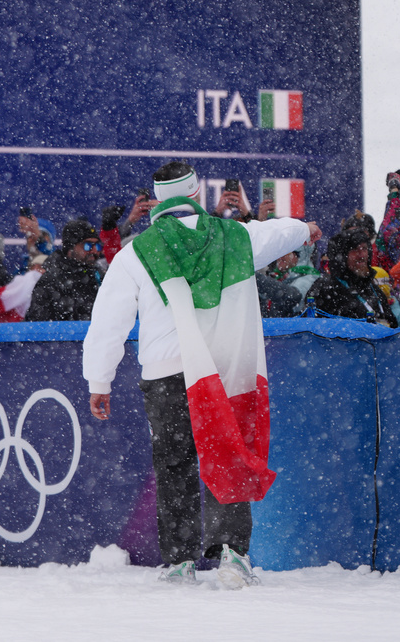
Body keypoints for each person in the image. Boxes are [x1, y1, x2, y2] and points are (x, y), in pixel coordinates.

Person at [83, 161, 320, 587]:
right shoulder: (236, 235)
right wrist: (305, 230)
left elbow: (108, 321)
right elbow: (277, 233)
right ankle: (233, 555)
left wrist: (99, 380)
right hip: (223, 369)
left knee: (174, 465)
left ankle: (179, 561)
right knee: (228, 453)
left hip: (165, 373)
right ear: (195, 194)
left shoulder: (136, 251)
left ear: (158, 199)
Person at [307, 228, 399, 327]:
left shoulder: (372, 288)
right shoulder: (324, 288)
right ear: (342, 256)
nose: (362, 255)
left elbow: (393, 326)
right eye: (355, 250)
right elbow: (312, 331)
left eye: (364, 248)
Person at [25, 220, 104, 321]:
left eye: (98, 246)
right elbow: (39, 326)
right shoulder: (51, 279)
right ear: (70, 248)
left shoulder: (99, 275)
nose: (94, 251)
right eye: (88, 245)